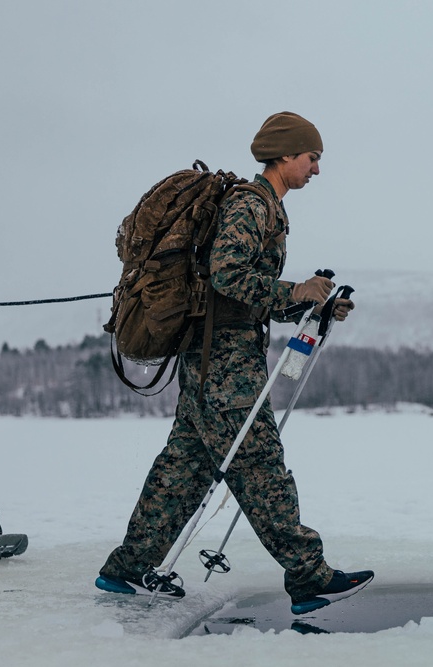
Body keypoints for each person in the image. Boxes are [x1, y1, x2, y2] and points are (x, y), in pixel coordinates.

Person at [96, 111, 373, 615]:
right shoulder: (251, 205)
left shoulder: (266, 207)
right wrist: (296, 290)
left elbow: (241, 295)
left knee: (184, 469)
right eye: (312, 158)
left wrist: (312, 305)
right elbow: (227, 276)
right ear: (285, 154)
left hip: (215, 359)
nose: (316, 169)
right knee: (261, 467)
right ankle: (309, 576)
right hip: (225, 365)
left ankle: (128, 567)